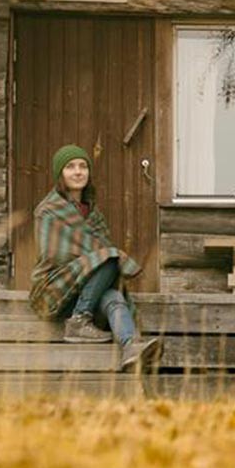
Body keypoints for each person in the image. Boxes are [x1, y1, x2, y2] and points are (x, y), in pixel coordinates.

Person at [31, 144, 160, 368]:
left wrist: (95, 261)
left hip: (90, 291)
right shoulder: (48, 210)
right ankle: (79, 319)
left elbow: (102, 253)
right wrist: (93, 260)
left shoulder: (94, 213)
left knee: (114, 298)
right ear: (60, 173)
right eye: (70, 167)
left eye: (83, 166)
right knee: (110, 257)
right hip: (55, 289)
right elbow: (53, 254)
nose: (78, 171)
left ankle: (130, 347)